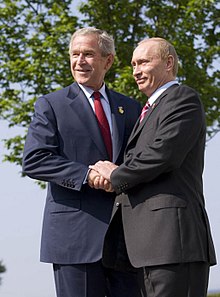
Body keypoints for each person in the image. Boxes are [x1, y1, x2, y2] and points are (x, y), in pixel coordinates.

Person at [90, 37, 217, 297]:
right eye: (133, 64)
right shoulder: (148, 111)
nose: (136, 70)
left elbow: (162, 154)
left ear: (169, 63)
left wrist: (115, 175)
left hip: (173, 244)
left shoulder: (182, 99)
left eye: (144, 62)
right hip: (147, 248)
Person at [22, 27, 142, 297]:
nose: (79, 61)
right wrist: (87, 175)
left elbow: (138, 160)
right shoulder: (51, 105)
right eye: (74, 54)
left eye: (88, 54)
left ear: (108, 60)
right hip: (74, 240)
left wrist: (120, 177)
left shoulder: (131, 108)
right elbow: (34, 159)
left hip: (126, 241)